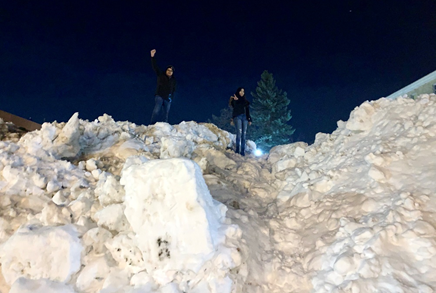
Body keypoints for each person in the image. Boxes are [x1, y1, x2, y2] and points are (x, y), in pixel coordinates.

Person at [150, 49, 176, 124]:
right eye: (168, 70)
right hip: (159, 95)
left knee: (166, 113)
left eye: (171, 71)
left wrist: (171, 97)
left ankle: (165, 126)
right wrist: (152, 56)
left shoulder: (173, 80)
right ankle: (152, 124)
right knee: (157, 110)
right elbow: (155, 66)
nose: (169, 72)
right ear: (166, 70)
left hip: (168, 98)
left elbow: (174, 89)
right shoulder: (161, 75)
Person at [229, 87, 252, 156]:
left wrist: (249, 119)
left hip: (245, 117)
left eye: (243, 91)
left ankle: (242, 151)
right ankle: (237, 150)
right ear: (238, 92)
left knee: (244, 134)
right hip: (237, 116)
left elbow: (247, 110)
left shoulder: (245, 101)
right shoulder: (235, 99)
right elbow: (234, 106)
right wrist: (236, 100)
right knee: (239, 132)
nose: (242, 92)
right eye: (240, 91)